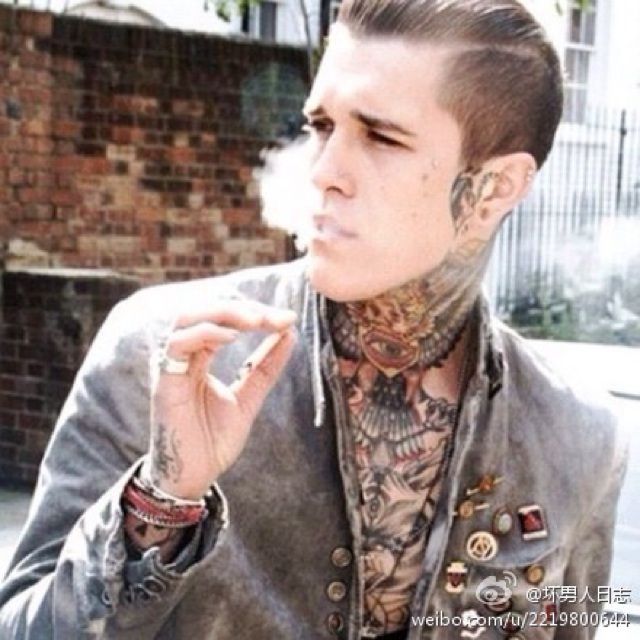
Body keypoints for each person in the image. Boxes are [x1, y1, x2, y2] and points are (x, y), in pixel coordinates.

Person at [0, 1, 629, 638]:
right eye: (322, 126)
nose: (323, 171)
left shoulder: (580, 437)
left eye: (382, 138)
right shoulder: (165, 358)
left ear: (495, 188)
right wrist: (163, 501)